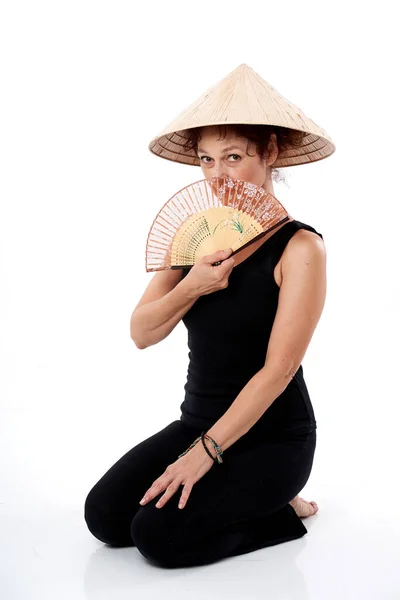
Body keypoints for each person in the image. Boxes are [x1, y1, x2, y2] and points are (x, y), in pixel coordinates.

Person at [84, 64, 335, 568]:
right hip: (196, 421)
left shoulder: (300, 247)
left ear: (270, 152)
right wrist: (191, 286)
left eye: (234, 157)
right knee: (107, 518)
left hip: (272, 438)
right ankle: (243, 497)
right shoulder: (195, 240)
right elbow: (142, 332)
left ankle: (280, 510)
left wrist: (205, 453)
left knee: (159, 538)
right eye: (205, 160)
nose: (217, 176)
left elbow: (278, 370)